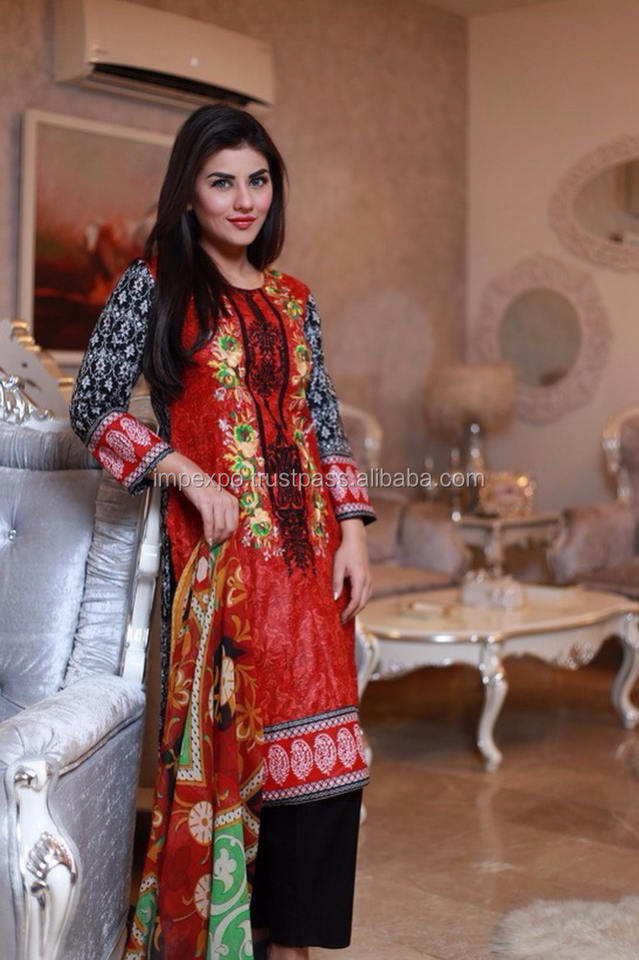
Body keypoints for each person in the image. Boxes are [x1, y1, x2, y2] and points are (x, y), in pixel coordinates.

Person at [69, 103, 376, 960]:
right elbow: (92, 408)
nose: (243, 200)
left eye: (257, 181)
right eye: (221, 182)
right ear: (189, 193)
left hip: (312, 557)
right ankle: (242, 938)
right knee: (247, 751)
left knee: (328, 757)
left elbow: (322, 421)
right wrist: (186, 473)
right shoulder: (155, 285)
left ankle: (294, 946)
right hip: (222, 564)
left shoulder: (293, 300)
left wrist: (353, 529)